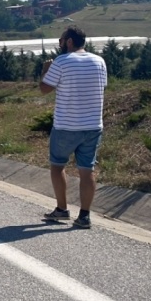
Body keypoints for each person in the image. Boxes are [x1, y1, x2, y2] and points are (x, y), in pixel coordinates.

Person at [40, 25, 107, 229]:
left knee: (57, 166)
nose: (59, 45)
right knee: (87, 170)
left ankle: (62, 209)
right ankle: (84, 216)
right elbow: (101, 87)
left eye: (61, 41)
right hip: (93, 125)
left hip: (66, 126)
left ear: (69, 41)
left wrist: (45, 70)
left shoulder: (61, 62)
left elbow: (44, 89)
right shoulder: (99, 61)